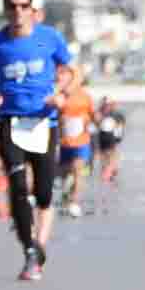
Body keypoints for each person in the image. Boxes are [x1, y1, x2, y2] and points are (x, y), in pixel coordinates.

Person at [0, 0, 72, 282]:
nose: (18, 11)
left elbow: (70, 71)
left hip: (44, 122)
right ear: (5, 9)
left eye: (23, 5)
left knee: (44, 192)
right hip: (11, 121)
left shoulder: (49, 38)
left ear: (32, 9)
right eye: (12, 6)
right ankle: (29, 250)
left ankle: (40, 244)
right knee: (18, 186)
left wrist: (60, 93)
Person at [55, 64, 96, 218]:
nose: (62, 77)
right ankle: (67, 195)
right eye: (60, 74)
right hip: (65, 141)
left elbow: (93, 114)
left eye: (65, 74)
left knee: (78, 170)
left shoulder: (84, 96)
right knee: (64, 174)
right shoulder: (58, 95)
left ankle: (75, 202)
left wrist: (95, 120)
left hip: (81, 141)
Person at [95, 97, 125, 189]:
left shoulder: (101, 112)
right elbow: (120, 127)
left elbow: (96, 122)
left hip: (105, 136)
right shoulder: (116, 114)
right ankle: (107, 173)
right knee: (109, 155)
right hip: (108, 136)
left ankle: (107, 172)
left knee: (107, 155)